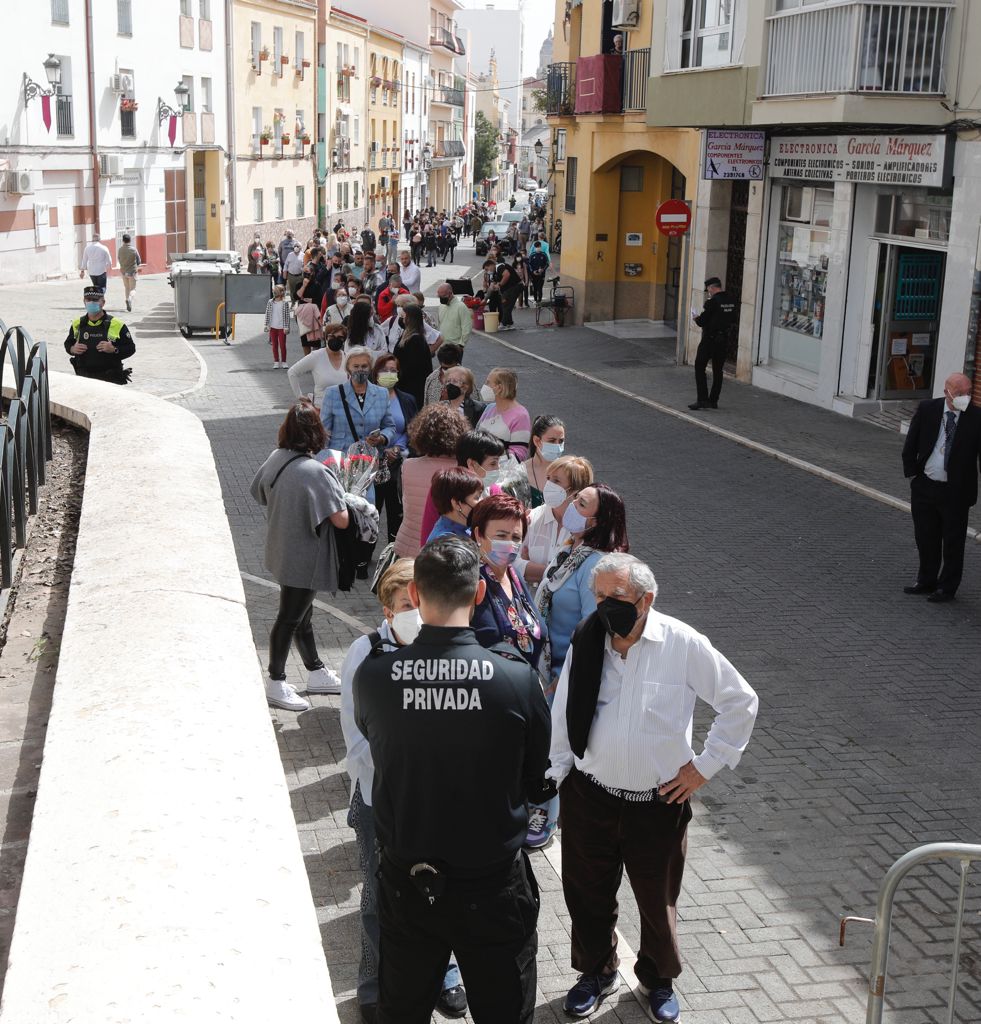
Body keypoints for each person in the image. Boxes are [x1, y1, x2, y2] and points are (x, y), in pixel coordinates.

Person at [549, 553, 758, 1022]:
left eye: (615, 597)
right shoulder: (590, 637)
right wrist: (559, 774)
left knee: (656, 900)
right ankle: (596, 972)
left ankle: (657, 979)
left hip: (658, 801)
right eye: (598, 596)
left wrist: (704, 767)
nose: (603, 606)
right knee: (586, 895)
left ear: (646, 599)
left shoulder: (682, 643)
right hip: (591, 793)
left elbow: (740, 701)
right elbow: (565, 708)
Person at [353, 536, 551, 1024]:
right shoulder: (514, 676)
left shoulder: (375, 677)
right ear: (479, 594)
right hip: (492, 883)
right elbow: (534, 775)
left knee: (402, 1009)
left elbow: (376, 742)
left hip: (407, 880)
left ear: (416, 596)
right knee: (504, 1011)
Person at [341, 559, 469, 1024]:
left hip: (439, 804)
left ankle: (446, 975)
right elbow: (356, 740)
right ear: (388, 608)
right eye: (403, 605)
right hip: (383, 802)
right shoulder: (365, 653)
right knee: (379, 897)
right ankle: (374, 983)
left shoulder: (445, 650)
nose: (414, 612)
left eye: (419, 603)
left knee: (444, 892)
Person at [530, 483, 628, 848]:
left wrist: (562, 681)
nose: (571, 504)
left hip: (564, 674)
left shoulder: (597, 566)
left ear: (598, 520)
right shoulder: (570, 549)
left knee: (554, 746)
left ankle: (546, 816)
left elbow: (591, 629)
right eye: (575, 498)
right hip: (545, 667)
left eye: (581, 503)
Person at [250, 400, 351, 712]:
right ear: (317, 433)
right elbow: (342, 520)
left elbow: (258, 492)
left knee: (302, 615)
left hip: (280, 549)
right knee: (290, 617)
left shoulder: (276, 457)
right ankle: (276, 680)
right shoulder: (317, 472)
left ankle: (315, 670)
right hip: (305, 557)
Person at [901, 373, 981, 603]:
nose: (965, 397)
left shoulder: (976, 417)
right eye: (960, 394)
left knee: (953, 542)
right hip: (925, 486)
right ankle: (926, 580)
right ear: (947, 392)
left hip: (955, 492)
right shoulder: (928, 409)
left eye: (968, 392)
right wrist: (912, 474)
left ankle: (947, 588)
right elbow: (911, 443)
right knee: (926, 537)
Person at [470, 494, 547, 668]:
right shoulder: (470, 582)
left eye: (515, 538)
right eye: (501, 536)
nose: (509, 544)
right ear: (479, 535)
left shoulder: (513, 575)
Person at [394, 404, 468, 558]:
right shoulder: (463, 472)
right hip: (441, 553)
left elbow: (404, 503)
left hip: (406, 546)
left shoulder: (407, 466)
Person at [320, 347, 395, 482]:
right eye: (356, 366)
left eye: (364, 366)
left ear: (370, 367)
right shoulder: (332, 393)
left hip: (369, 467)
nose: (360, 369)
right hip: (340, 465)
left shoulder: (382, 394)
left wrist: (382, 438)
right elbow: (323, 432)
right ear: (348, 368)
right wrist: (323, 462)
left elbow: (390, 426)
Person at [519, 455, 593, 586]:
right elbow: (512, 562)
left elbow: (582, 576)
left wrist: (531, 569)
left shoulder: (585, 528)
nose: (548, 484)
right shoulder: (532, 518)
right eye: (548, 478)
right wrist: (558, 574)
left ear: (575, 493)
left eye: (556, 481)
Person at [371, 353, 418, 544]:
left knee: (396, 510)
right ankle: (363, 558)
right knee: (371, 509)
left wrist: (397, 449)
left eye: (393, 370)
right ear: (376, 374)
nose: (389, 374)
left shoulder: (406, 399)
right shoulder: (367, 398)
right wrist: (383, 450)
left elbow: (412, 428)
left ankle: (394, 550)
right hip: (372, 463)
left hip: (398, 464)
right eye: (384, 370)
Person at [64, 286, 135, 385]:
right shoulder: (77, 323)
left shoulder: (116, 324)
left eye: (95, 300)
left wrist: (114, 349)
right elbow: (68, 343)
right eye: (88, 300)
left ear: (103, 302)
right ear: (84, 301)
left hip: (110, 378)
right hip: (84, 378)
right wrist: (72, 349)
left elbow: (131, 348)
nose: (91, 302)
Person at [689, 277, 737, 411]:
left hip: (710, 339)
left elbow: (702, 322)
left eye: (708, 289)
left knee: (699, 367)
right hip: (724, 339)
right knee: (718, 370)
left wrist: (696, 318)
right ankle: (713, 400)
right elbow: (733, 319)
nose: (708, 292)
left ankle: (702, 400)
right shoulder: (731, 300)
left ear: (712, 287)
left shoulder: (712, 302)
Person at [477, 368, 532, 459]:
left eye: (488, 383)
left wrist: (489, 460)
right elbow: (476, 434)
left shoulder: (521, 416)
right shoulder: (489, 408)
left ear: (499, 388)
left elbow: (519, 453)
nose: (484, 386)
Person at [288, 325, 348, 407]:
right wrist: (299, 395)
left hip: (344, 410)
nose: (335, 339)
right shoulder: (316, 356)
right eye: (332, 336)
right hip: (321, 410)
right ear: (326, 337)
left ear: (344, 340)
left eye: (340, 337)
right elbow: (292, 372)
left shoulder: (348, 358)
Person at [514, 415, 566, 508]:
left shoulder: (569, 471)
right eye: (552, 441)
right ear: (537, 441)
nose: (557, 446)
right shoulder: (520, 473)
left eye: (561, 441)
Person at [392, 304, 433, 409]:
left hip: (411, 388)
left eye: (403, 316)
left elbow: (411, 367)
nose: (401, 319)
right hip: (407, 386)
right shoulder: (408, 335)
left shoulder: (416, 340)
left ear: (410, 319)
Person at [427, 467, 483, 543]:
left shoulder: (464, 525)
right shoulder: (445, 543)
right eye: (477, 497)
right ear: (457, 503)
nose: (482, 501)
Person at [424, 342, 463, 407]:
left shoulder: (466, 382)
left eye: (452, 368)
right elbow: (426, 405)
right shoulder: (431, 379)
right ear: (440, 362)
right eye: (445, 368)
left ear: (457, 363)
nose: (448, 372)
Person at [436, 283, 473, 353]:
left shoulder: (461, 307)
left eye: (443, 296)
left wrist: (461, 345)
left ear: (450, 293)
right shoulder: (441, 306)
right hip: (442, 346)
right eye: (439, 297)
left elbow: (467, 328)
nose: (441, 299)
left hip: (455, 347)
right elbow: (440, 324)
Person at [264, 284, 292, 369]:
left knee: (282, 345)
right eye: (274, 290)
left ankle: (284, 361)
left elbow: (287, 316)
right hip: (273, 327)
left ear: (281, 292)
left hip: (281, 327)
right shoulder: (270, 302)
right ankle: (276, 361)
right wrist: (266, 325)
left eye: (276, 290)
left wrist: (286, 327)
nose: (274, 292)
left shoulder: (285, 303)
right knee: (274, 345)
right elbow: (267, 313)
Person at [117, 233, 141, 312]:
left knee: (127, 288)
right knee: (133, 289)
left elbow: (119, 259)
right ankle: (129, 299)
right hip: (132, 272)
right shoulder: (133, 249)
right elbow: (139, 261)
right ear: (130, 240)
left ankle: (127, 299)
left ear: (123, 241)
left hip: (124, 272)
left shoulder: (120, 249)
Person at [527, 241, 549, 305]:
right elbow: (529, 265)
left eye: (539, 246)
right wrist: (533, 271)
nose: (538, 248)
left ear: (540, 247)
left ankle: (540, 300)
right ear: (535, 247)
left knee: (540, 288)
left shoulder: (544, 254)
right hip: (534, 275)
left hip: (541, 275)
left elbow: (547, 264)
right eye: (536, 247)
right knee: (535, 288)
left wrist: (542, 269)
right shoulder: (532, 255)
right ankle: (535, 300)